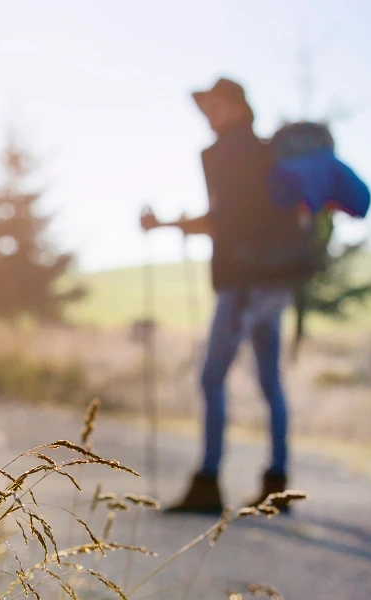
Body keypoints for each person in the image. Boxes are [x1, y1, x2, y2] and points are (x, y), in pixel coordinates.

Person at [141, 77, 299, 514]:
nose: (206, 115)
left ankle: (208, 483)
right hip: (274, 283)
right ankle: (278, 483)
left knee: (212, 379)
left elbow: (225, 219)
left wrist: (166, 226)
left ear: (231, 104)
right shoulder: (265, 150)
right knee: (270, 383)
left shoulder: (231, 152)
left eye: (211, 105)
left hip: (243, 283)